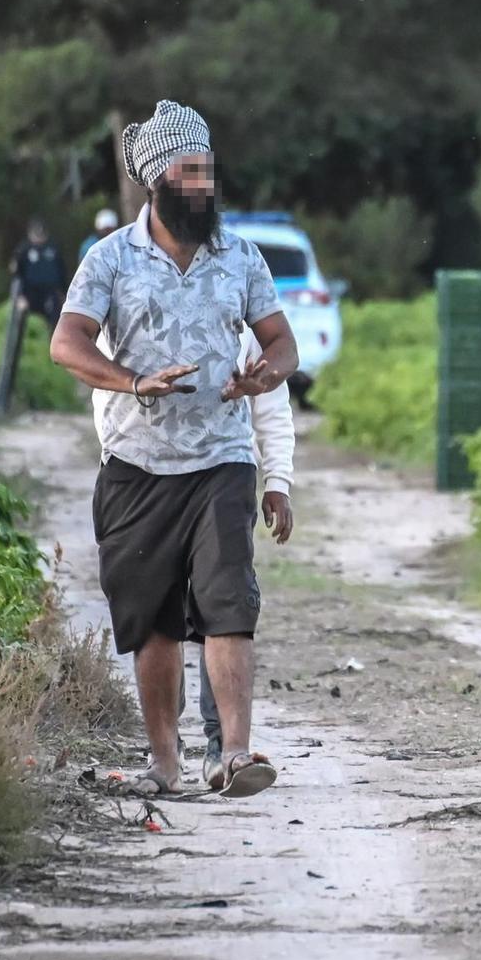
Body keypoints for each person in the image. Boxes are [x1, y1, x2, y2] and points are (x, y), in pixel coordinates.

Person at [50, 99, 299, 799]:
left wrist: (265, 374)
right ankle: (165, 760)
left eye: (209, 171)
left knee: (228, 602)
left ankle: (236, 755)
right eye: (191, 172)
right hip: (136, 467)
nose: (205, 186)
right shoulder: (110, 260)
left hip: (221, 461)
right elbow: (65, 344)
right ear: (158, 180)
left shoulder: (240, 256)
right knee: (153, 621)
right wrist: (133, 381)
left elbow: (282, 341)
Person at [192, 322, 296, 789]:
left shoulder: (241, 319)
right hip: (147, 476)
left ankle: (223, 748)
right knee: (165, 615)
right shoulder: (138, 297)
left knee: (223, 609)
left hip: (229, 473)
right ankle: (165, 752)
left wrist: (277, 481)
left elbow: (271, 405)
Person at [13, 219, 69, 329]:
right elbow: (17, 275)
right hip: (30, 293)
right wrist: (19, 296)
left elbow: (62, 272)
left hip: (50, 293)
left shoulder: (53, 248)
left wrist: (64, 294)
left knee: (55, 321)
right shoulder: (23, 249)